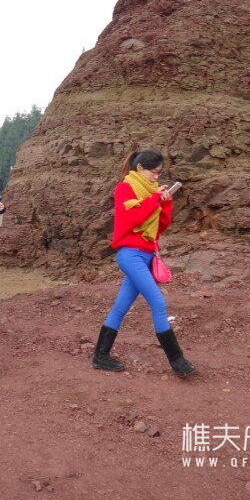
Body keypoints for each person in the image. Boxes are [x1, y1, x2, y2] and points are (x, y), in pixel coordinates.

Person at [92, 149, 195, 377]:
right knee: (158, 303)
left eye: (159, 173)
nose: (156, 176)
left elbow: (160, 227)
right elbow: (132, 219)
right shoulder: (125, 188)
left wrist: (165, 203)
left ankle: (100, 355)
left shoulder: (151, 193)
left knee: (121, 307)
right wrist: (155, 198)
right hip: (130, 255)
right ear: (140, 168)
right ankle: (177, 361)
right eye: (154, 172)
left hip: (146, 254)